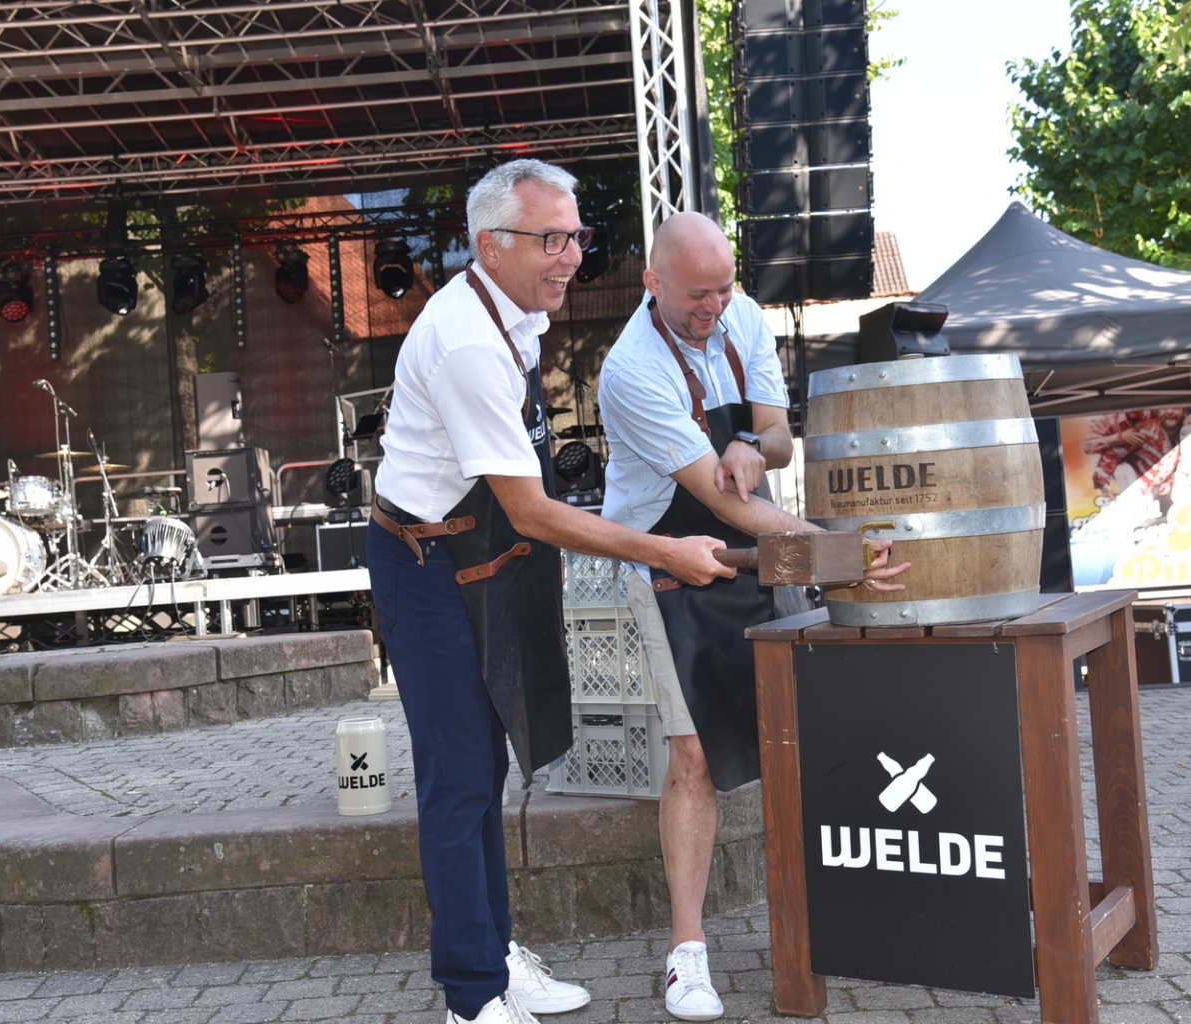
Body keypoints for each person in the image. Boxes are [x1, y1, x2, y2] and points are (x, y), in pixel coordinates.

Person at [366, 162, 736, 1024]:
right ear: (490, 244)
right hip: (426, 569)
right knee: (457, 779)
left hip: (482, 557)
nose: (570, 256)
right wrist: (661, 550)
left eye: (574, 236)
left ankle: (490, 953)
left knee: (487, 765)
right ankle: (470, 995)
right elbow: (530, 508)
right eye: (550, 239)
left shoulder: (519, 314)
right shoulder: (466, 341)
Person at [597, 212, 911, 1021]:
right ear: (652, 284)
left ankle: (819, 920)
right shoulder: (631, 370)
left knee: (796, 737)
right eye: (696, 294)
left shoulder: (740, 313)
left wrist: (748, 446)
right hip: (668, 560)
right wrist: (842, 558)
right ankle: (686, 953)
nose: (713, 306)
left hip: (759, 547)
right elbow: (717, 507)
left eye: (722, 287)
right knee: (694, 757)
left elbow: (778, 438)